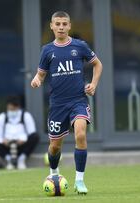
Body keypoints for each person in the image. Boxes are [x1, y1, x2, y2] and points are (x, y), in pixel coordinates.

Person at [30, 11, 103, 194]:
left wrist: (93, 84)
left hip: (78, 100)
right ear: (51, 26)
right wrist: (37, 80)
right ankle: (54, 173)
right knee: (55, 146)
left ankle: (80, 181)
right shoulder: (47, 50)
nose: (61, 27)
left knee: (80, 134)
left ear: (69, 26)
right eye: (58, 24)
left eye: (64, 24)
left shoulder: (79, 46)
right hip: (57, 105)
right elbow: (40, 74)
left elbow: (97, 64)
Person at [0, 96, 39, 170]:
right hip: (7, 146)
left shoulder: (26, 116)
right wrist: (4, 141)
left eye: (13, 109)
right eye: (9, 109)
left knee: (35, 137)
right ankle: (9, 160)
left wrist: (23, 140)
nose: (11, 111)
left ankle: (21, 160)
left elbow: (32, 132)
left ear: (18, 107)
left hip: (21, 146)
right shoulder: (1, 117)